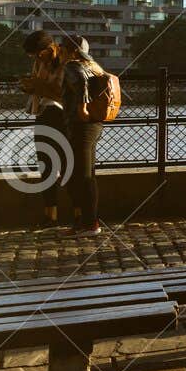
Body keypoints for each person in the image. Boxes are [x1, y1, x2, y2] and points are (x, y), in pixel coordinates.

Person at [54, 35, 107, 236]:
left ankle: (89, 224)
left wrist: (82, 109)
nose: (61, 52)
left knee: (81, 176)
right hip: (95, 124)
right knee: (88, 175)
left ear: (72, 51)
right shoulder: (94, 65)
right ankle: (89, 221)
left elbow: (81, 85)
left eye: (63, 48)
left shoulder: (72, 66)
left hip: (80, 125)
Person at [19, 30, 68, 226]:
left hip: (62, 114)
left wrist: (38, 86)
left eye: (38, 54)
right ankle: (51, 216)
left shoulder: (66, 61)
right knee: (46, 165)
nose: (37, 59)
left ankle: (79, 213)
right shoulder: (40, 61)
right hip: (43, 113)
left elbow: (65, 94)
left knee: (67, 165)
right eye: (33, 56)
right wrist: (29, 87)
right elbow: (39, 86)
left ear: (49, 48)